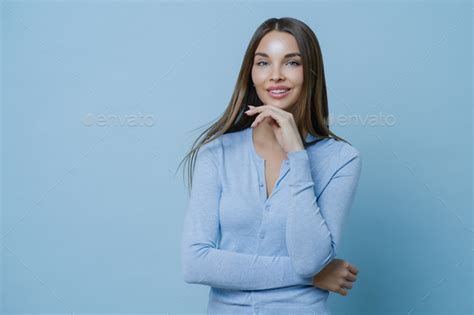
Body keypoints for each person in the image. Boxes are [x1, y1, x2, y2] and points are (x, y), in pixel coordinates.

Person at [179, 17, 362, 315]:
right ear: (251, 74)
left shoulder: (342, 159)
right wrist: (315, 277)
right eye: (263, 63)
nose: (275, 75)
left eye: (291, 63)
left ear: (311, 73)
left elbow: (309, 258)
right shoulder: (216, 154)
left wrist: (298, 157)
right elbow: (195, 263)